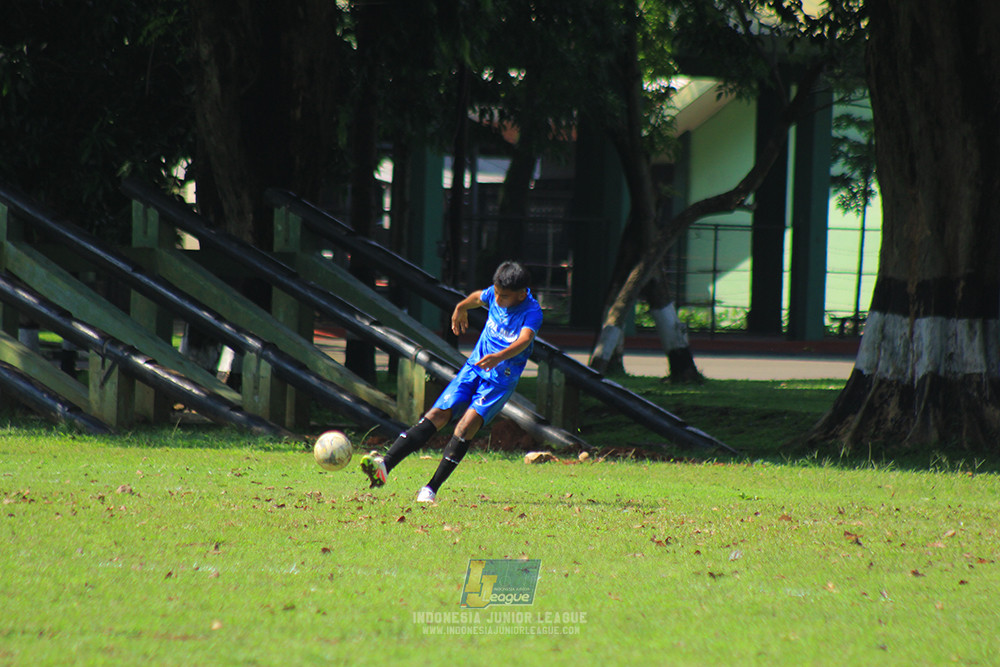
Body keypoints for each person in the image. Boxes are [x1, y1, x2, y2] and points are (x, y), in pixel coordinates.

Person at [360, 261, 543, 503]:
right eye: (496, 293)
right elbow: (480, 297)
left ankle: (431, 488)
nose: (497, 300)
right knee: (437, 414)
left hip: (499, 379)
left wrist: (499, 356)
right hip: (474, 368)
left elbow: (525, 339)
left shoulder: (532, 311)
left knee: (465, 428)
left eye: (504, 296)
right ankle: (384, 466)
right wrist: (461, 307)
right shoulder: (495, 294)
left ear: (521, 294)